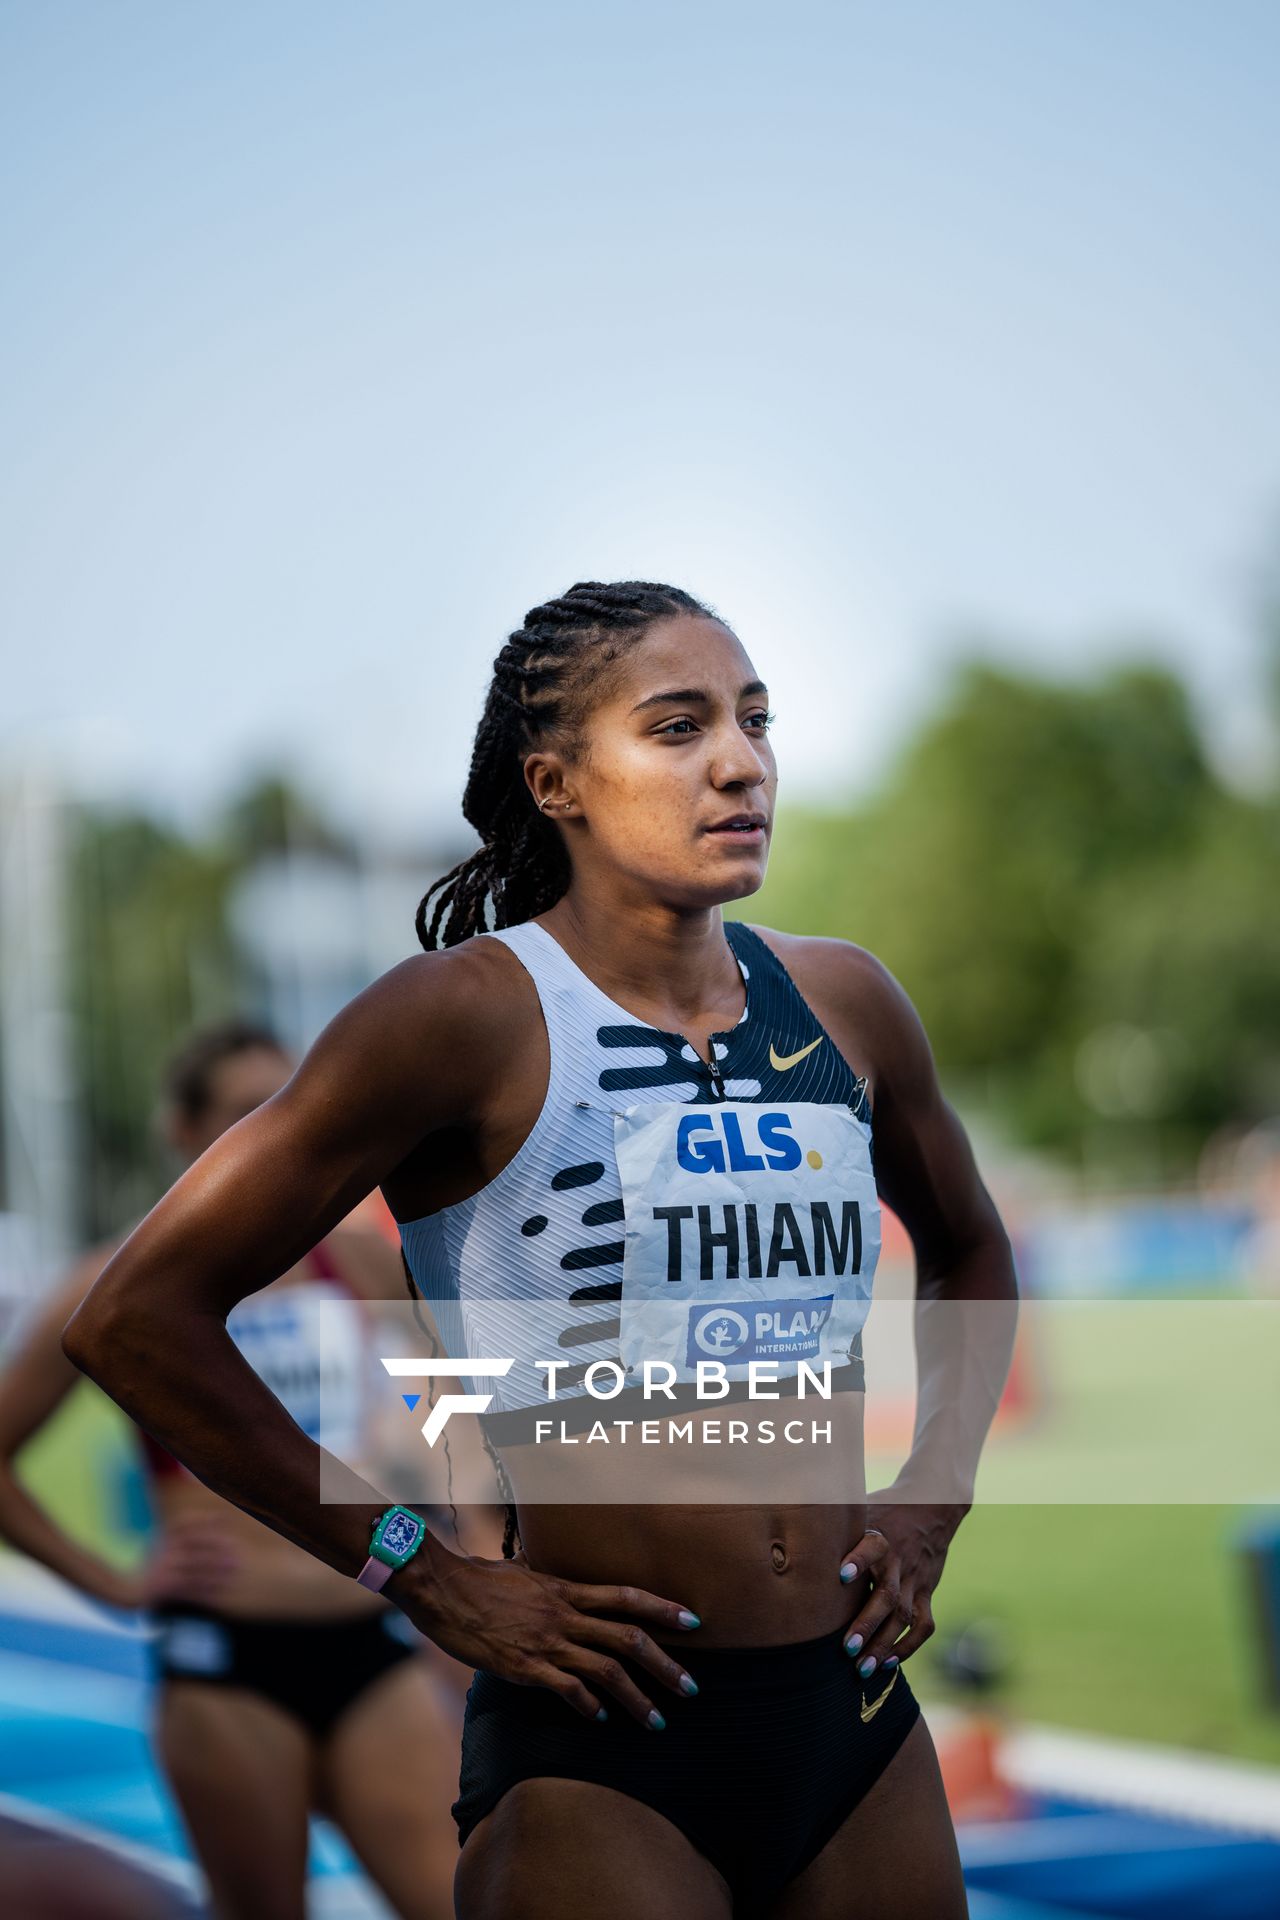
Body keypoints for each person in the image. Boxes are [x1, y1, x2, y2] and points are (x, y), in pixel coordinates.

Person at [64, 581, 1018, 1919]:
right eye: (679, 727)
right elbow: (133, 1320)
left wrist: (934, 1494)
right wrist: (426, 1569)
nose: (741, 761)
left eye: (755, 720)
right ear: (557, 780)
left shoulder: (846, 1002)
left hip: (851, 1713)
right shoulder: (458, 1020)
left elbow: (974, 1248)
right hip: (604, 1743)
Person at [0, 1020, 461, 1920]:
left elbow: (452, 1402)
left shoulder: (354, 1259)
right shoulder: (117, 1286)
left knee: (459, 1899)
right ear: (183, 1131)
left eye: (291, 1105)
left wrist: (449, 1538)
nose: (278, 1131)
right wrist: (113, 1582)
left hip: (371, 1644)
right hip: (228, 1661)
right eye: (248, 1109)